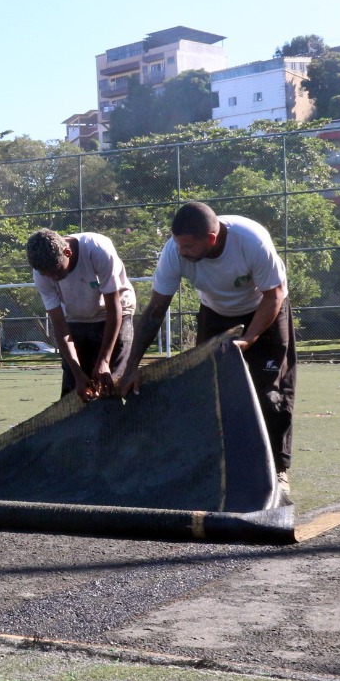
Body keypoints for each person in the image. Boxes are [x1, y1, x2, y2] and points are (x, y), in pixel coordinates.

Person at [116, 201, 296, 497]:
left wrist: (250, 338)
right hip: (215, 312)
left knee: (271, 393)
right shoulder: (173, 252)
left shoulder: (251, 240)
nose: (182, 251)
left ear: (210, 239)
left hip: (264, 307)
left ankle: (278, 468)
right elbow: (154, 311)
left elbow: (274, 295)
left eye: (188, 246)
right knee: (208, 388)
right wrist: (131, 365)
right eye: (178, 244)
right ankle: (218, 464)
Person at [25, 227, 135, 401]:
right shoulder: (41, 272)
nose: (53, 278)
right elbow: (60, 327)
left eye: (56, 271)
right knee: (75, 391)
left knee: (111, 385)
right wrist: (77, 373)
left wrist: (104, 361)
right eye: (47, 274)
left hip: (113, 314)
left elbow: (115, 310)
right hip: (75, 318)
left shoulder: (98, 251)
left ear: (67, 252)